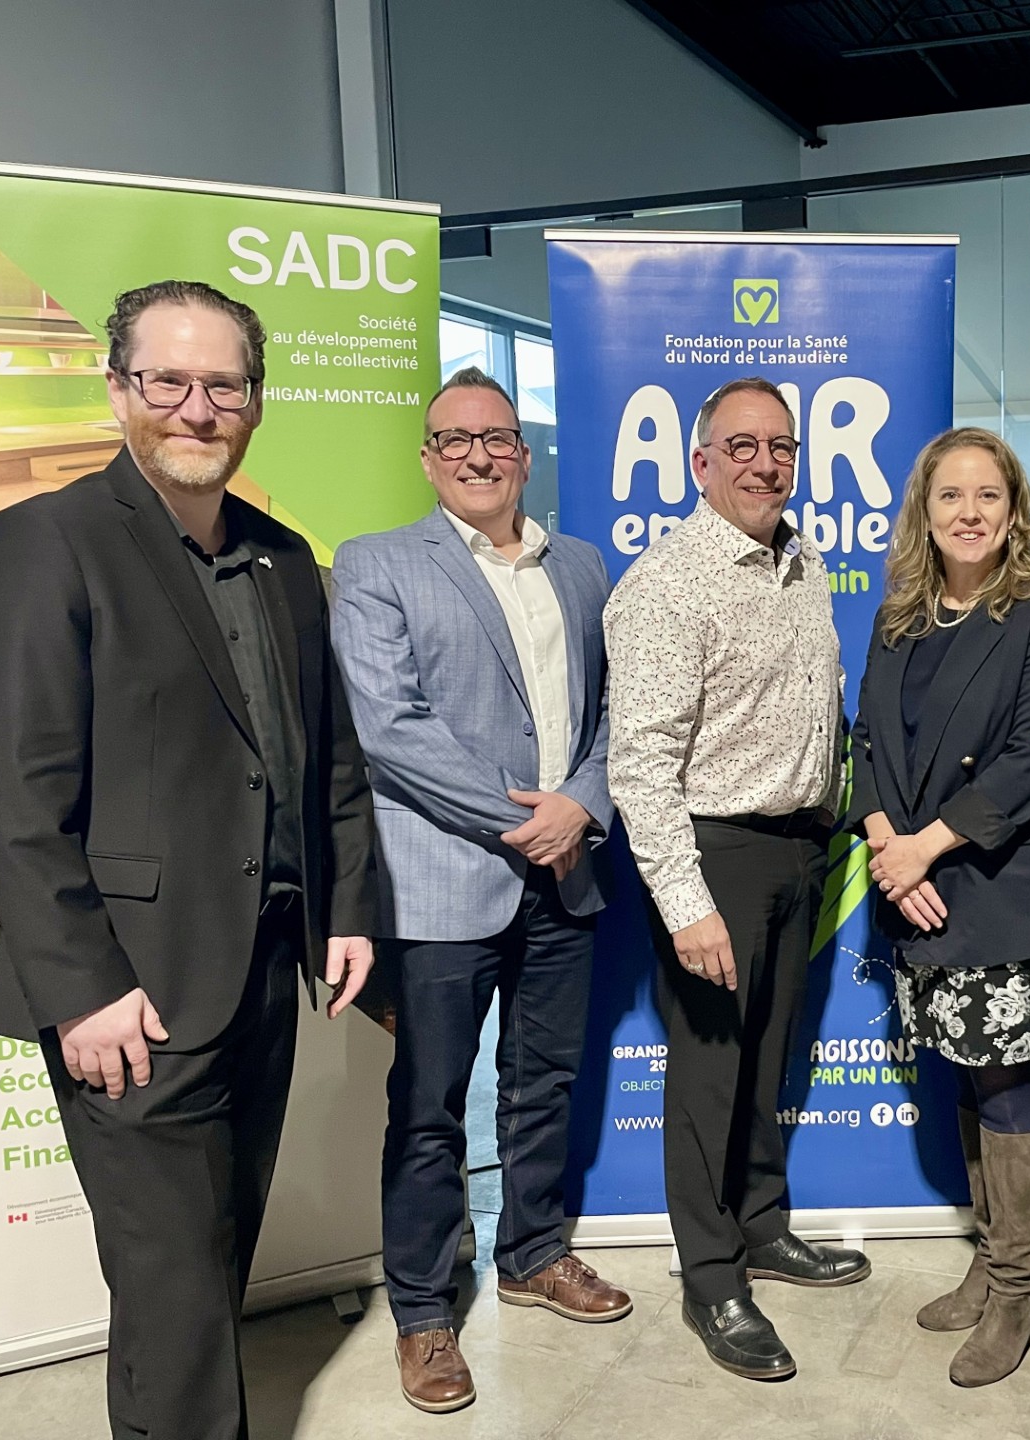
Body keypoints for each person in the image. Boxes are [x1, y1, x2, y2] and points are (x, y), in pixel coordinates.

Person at [0, 280, 378, 1440]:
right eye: (168, 382)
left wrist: (345, 906)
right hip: (128, 991)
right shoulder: (50, 543)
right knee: (177, 1288)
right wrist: (84, 985)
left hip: (261, 974)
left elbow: (324, 754)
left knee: (208, 1260)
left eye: (223, 384)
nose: (196, 408)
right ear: (118, 390)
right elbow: (12, 791)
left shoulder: (286, 559)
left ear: (254, 400)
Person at [330, 367, 627, 1416]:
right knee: (429, 1108)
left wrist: (580, 806)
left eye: (495, 437)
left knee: (545, 1083)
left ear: (523, 452)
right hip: (446, 884)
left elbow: (614, 718)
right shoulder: (376, 566)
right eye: (453, 439)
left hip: (568, 874)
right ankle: (422, 1310)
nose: (476, 455)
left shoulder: (583, 566)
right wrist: (528, 816)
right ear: (428, 457)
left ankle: (533, 1253)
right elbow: (391, 729)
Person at [604, 375, 869, 1382]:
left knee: (766, 1068)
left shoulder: (802, 563)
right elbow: (641, 764)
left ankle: (761, 1226)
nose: (766, 464)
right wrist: (687, 903)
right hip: (716, 854)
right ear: (700, 463)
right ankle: (712, 1274)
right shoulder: (667, 584)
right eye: (743, 447)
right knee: (709, 1080)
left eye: (782, 447)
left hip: (800, 851)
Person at [845, 428, 1030, 1386]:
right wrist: (879, 839)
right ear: (925, 511)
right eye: (952, 496)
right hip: (912, 883)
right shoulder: (901, 615)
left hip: (999, 882)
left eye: (989, 495)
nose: (971, 513)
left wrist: (925, 849)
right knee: (959, 1074)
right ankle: (990, 1268)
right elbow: (865, 733)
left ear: (1014, 508)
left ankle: (1018, 1286)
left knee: (1009, 1086)